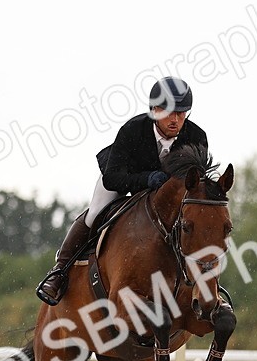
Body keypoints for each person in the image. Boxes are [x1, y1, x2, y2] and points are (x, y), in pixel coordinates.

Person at [35, 76, 209, 305]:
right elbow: (113, 177)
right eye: (168, 112)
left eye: (181, 113)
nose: (175, 120)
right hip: (124, 179)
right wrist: (147, 179)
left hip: (168, 196)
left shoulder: (197, 137)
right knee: (95, 212)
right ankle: (59, 273)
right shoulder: (133, 129)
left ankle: (205, 281)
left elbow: (197, 185)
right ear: (154, 110)